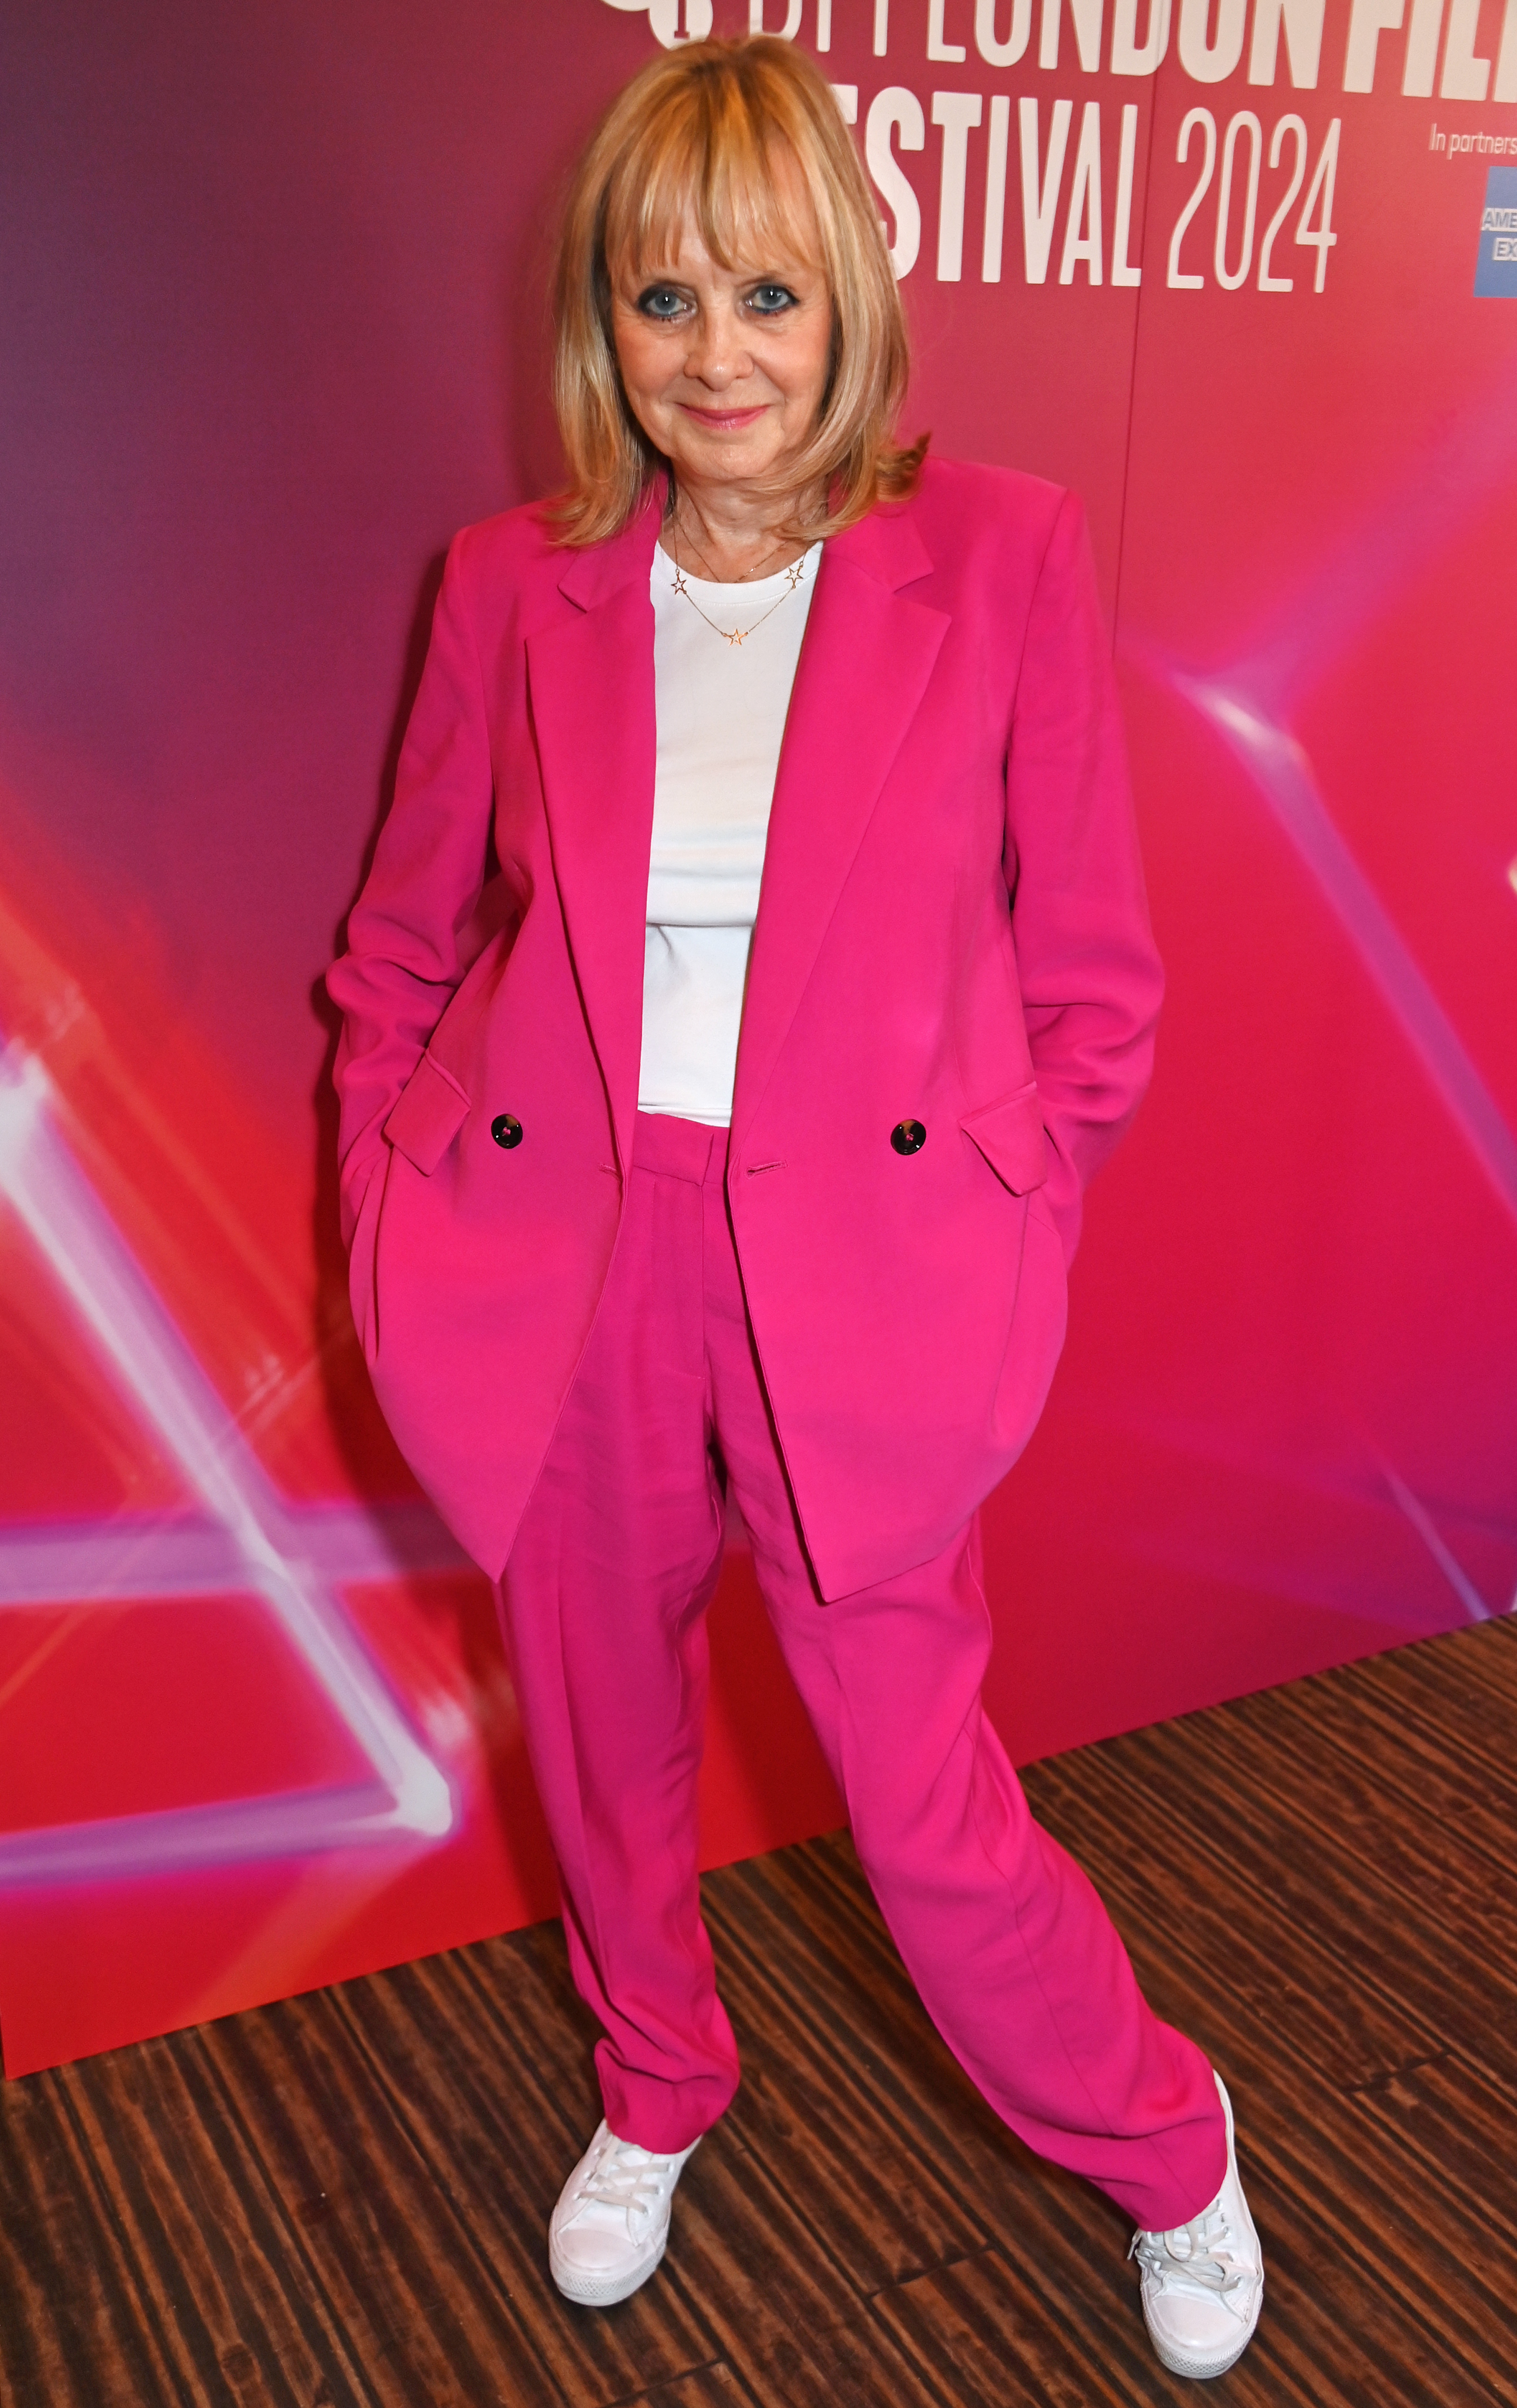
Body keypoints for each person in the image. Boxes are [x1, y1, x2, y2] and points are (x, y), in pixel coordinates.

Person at [327, 33, 1262, 2382]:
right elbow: (401, 943)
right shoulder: (509, 584)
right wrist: (383, 1204)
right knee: (602, 1741)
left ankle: (1167, 2138)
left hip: (856, 1269)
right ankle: (658, 2081)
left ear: (845, 298)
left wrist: (1003, 1235)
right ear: (601, 327)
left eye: (763, 294)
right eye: (661, 302)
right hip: (572, 1256)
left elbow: (1094, 984)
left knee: (927, 1816)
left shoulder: (1002, 551)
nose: (716, 357)